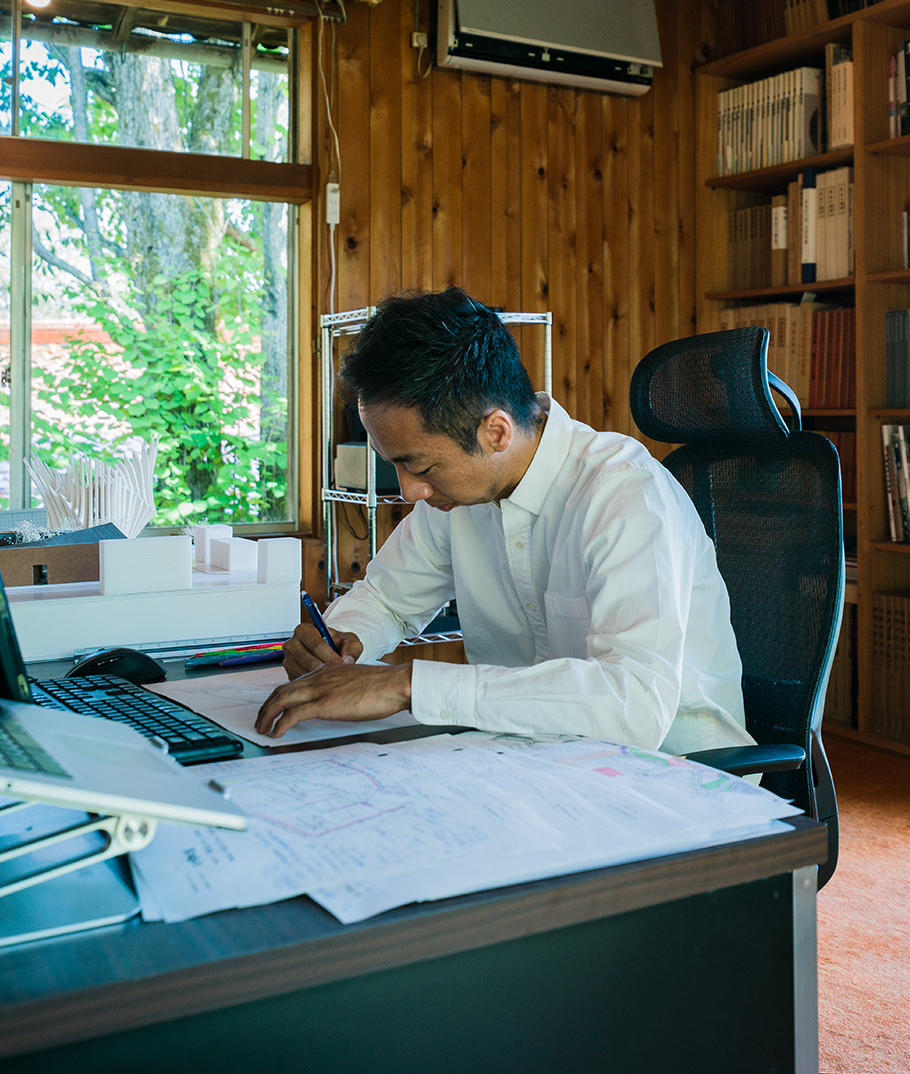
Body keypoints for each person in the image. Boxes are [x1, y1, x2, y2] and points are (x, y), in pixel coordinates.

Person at [255, 287, 753, 755]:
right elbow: (387, 598)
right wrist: (339, 641)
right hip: (535, 761)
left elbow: (634, 704)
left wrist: (406, 684)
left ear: (496, 431)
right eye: (396, 466)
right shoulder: (456, 499)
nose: (409, 491)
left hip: (677, 778)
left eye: (420, 466)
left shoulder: (625, 494)